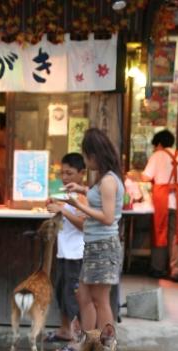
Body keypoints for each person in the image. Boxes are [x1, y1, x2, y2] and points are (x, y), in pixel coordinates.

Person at [63, 128, 124, 331]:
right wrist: (82, 190)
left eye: (87, 156)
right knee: (83, 295)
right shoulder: (106, 178)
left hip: (103, 246)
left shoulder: (107, 180)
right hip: (94, 245)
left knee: (100, 299)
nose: (86, 162)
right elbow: (101, 200)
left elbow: (107, 217)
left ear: (95, 155)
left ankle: (105, 348)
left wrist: (79, 205)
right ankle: (87, 345)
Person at [45, 153, 87, 351]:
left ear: (82, 174)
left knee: (73, 299)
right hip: (64, 252)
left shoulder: (83, 196)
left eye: (70, 173)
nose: (65, 177)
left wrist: (63, 209)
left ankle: (76, 342)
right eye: (62, 173)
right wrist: (54, 206)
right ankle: (65, 330)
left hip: (76, 255)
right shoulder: (64, 194)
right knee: (62, 294)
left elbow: (84, 224)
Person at [141, 129, 178, 281]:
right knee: (177, 235)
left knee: (159, 231)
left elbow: (145, 177)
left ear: (160, 144)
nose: (155, 149)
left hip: (162, 200)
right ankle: (177, 270)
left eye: (155, 145)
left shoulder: (157, 155)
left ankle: (158, 268)